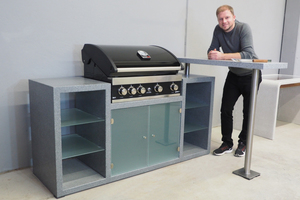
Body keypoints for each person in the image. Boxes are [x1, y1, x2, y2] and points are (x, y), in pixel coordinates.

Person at [207, 5, 261, 157]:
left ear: (234, 17)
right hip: (234, 74)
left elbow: (248, 54)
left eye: (227, 18)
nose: (224, 21)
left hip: (251, 74)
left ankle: (243, 143)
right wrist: (212, 53)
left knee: (247, 111)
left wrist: (222, 56)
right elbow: (212, 49)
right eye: (220, 19)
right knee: (225, 109)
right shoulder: (218, 30)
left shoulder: (244, 28)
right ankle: (227, 143)